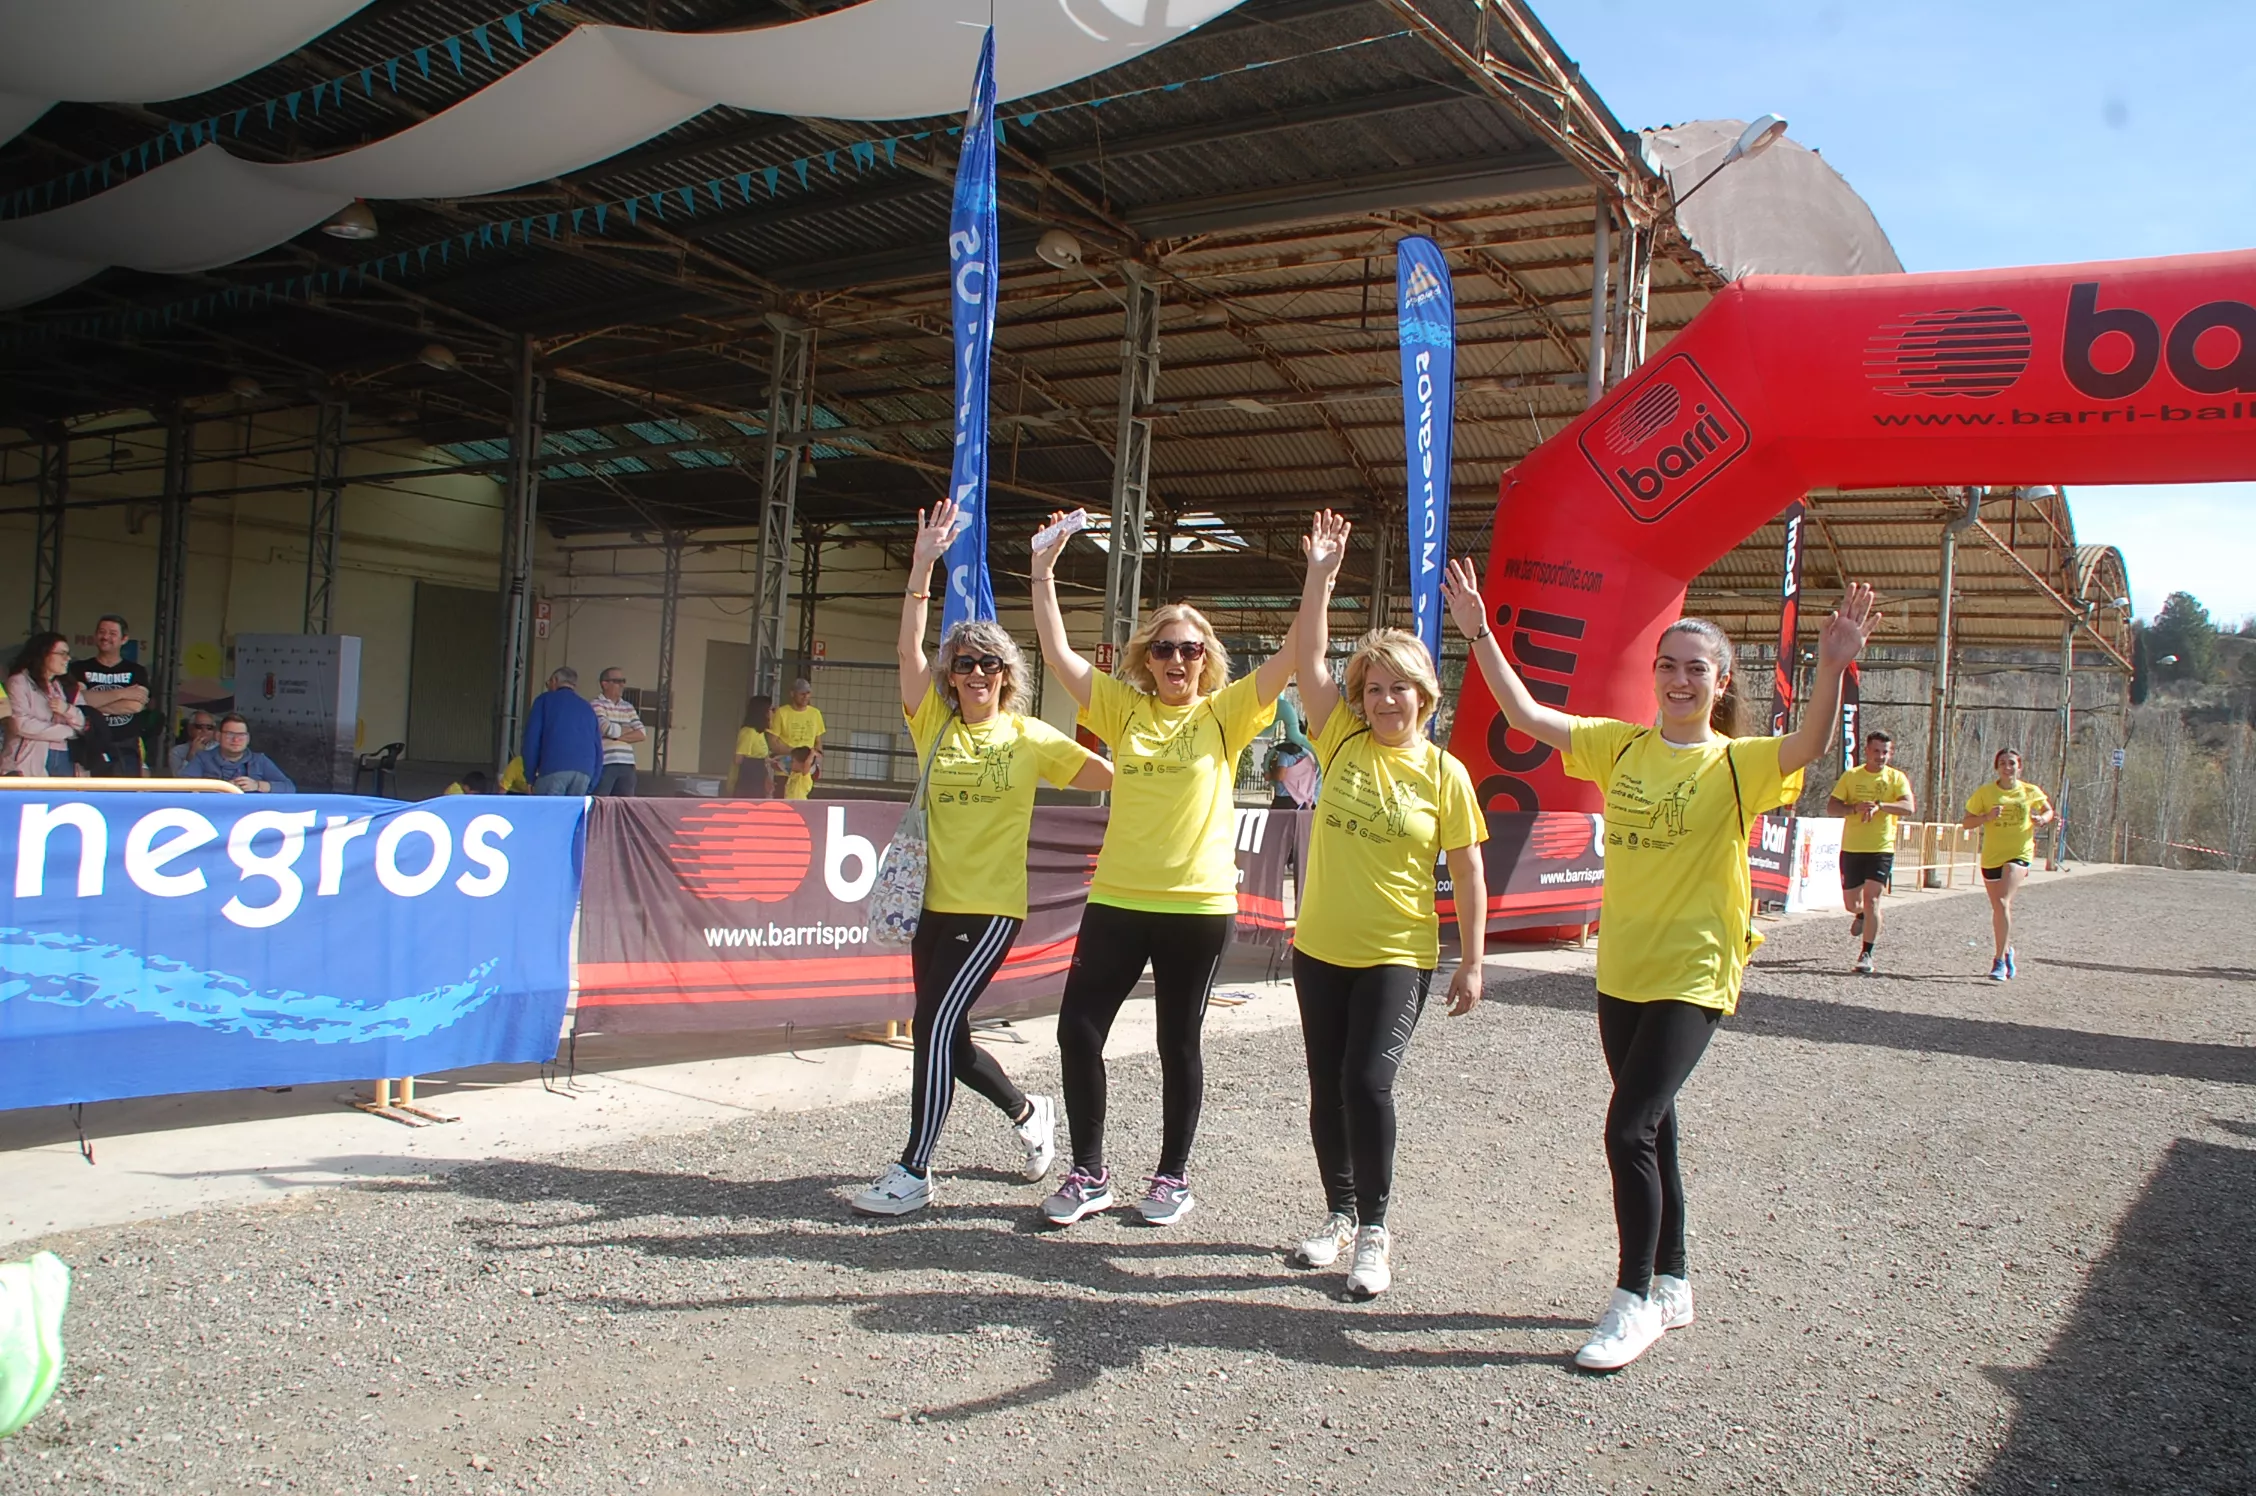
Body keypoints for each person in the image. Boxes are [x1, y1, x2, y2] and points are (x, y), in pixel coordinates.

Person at [1447, 558, 1879, 1372]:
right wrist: (1478, 634)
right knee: (1657, 1126)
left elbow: (1811, 744)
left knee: (1628, 1128)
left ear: (1720, 683)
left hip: (1696, 969)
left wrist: (1832, 666)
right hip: (1623, 970)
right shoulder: (1619, 748)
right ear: (1653, 675)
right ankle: (1674, 1279)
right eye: (1669, 665)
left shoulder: (1738, 763)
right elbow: (1525, 713)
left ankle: (1632, 1299)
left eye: (1696, 669)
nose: (1680, 680)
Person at [1028, 507, 1302, 1228]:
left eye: (1189, 649)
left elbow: (1294, 655)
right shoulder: (1123, 709)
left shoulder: (1226, 714)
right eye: (1164, 649)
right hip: (1117, 900)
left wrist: (1319, 579)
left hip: (1196, 907)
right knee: (1077, 1030)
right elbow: (1056, 654)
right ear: (1146, 658)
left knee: (1176, 1043)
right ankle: (1089, 1173)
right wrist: (1043, 571)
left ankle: (1172, 1178)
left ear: (1205, 658)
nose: (1177, 660)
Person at [853, 500, 1115, 1217]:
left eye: (988, 663)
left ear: (1007, 675)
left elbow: (1117, 778)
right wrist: (922, 567)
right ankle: (1029, 1112)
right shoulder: (933, 725)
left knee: (933, 1029)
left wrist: (1169, 766)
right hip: (932, 906)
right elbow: (907, 652)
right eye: (964, 663)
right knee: (951, 1037)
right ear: (951, 676)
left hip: (992, 909)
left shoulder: (1029, 737)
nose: (975, 672)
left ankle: (914, 1169)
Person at [1286, 510, 1489, 1299]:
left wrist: (1473, 962)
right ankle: (1338, 1215)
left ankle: (1374, 1230)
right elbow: (1308, 656)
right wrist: (1320, 576)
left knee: (1367, 1084)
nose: (1384, 700)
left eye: (1398, 687)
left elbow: (1467, 871)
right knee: (1325, 1089)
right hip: (1320, 949)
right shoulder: (1338, 738)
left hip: (1398, 954)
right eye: (1372, 688)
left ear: (1423, 694)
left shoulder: (1444, 774)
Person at [1826, 730, 1915, 975]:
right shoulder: (1852, 776)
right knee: (1852, 903)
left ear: (1890, 753)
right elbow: (1832, 807)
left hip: (1881, 847)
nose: (1880, 756)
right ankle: (1861, 915)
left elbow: (1909, 807)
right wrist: (1854, 808)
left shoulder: (1896, 778)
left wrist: (1882, 806)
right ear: (1866, 751)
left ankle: (1866, 953)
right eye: (1876, 751)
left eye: (1885, 752)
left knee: (1873, 898)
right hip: (1853, 847)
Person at [1963, 748, 2052, 982]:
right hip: (1992, 856)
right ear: (1997, 767)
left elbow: (2048, 810)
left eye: (2012, 763)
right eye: (2002, 763)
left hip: (2019, 853)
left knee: (2003, 901)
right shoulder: (1985, 793)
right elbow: (1966, 823)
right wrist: (1987, 817)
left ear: (2019, 767)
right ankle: (2007, 950)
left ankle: (1999, 961)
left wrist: (2042, 819)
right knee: (1998, 908)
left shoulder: (2029, 791)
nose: (2007, 767)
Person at [69, 614, 151, 777]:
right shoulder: (78, 668)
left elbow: (134, 706)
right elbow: (77, 701)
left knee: (125, 792)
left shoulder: (136, 671)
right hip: (88, 744)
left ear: (124, 639)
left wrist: (93, 703)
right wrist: (123, 693)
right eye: (101, 632)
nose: (105, 637)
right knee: (87, 791)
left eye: (112, 633)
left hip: (125, 745)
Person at [2, 634, 85, 778]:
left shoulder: (66, 686)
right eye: (62, 653)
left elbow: (83, 722)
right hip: (28, 760)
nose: (67, 658)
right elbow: (21, 724)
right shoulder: (19, 682)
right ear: (43, 654)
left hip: (66, 757)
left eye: (68, 654)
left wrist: (67, 709)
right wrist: (68, 732)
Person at [521, 666, 601, 795]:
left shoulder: (544, 700)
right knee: (572, 809)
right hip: (584, 772)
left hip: (553, 768)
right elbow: (598, 747)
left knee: (549, 808)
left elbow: (531, 739)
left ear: (554, 680)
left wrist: (529, 777)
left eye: (548, 683)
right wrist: (592, 782)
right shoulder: (587, 707)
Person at [183, 713, 295, 792]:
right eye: (230, 734)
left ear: (248, 738)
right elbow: (182, 787)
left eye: (241, 735)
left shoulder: (260, 760)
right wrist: (221, 787)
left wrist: (257, 785)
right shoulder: (203, 759)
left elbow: (289, 787)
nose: (236, 740)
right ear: (218, 736)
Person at [590, 667, 647, 797]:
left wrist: (615, 736)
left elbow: (642, 734)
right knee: (602, 803)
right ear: (604, 684)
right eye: (617, 681)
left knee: (625, 804)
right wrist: (627, 730)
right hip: (605, 763)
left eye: (623, 681)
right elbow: (606, 728)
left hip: (628, 764)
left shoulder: (628, 706)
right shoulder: (595, 704)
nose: (622, 685)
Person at [771, 678, 826, 785]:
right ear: (792, 694)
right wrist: (795, 754)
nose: (806, 697)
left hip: (806, 770)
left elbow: (818, 741)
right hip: (785, 770)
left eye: (808, 693)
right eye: (802, 694)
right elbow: (773, 742)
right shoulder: (781, 713)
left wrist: (818, 758)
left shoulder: (815, 713)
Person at [730, 695, 780, 798]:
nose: (774, 713)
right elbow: (738, 759)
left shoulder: (760, 732)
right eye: (772, 710)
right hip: (747, 782)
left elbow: (759, 756)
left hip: (759, 778)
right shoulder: (748, 732)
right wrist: (760, 761)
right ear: (764, 712)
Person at [168, 710, 218, 776]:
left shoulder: (220, 749)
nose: (204, 730)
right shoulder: (177, 751)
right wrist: (191, 756)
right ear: (190, 729)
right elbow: (179, 779)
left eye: (209, 728)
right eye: (199, 727)